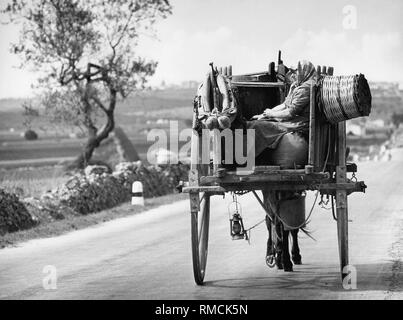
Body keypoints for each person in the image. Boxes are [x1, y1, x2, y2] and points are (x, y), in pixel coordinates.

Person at [248, 60, 316, 158]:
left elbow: (290, 113)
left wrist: (271, 114)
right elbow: (285, 105)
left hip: (297, 123)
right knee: (255, 121)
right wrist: (264, 115)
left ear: (303, 72)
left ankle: (250, 159)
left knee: (258, 126)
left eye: (295, 72)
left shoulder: (305, 89)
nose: (292, 75)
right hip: (291, 120)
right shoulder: (299, 86)